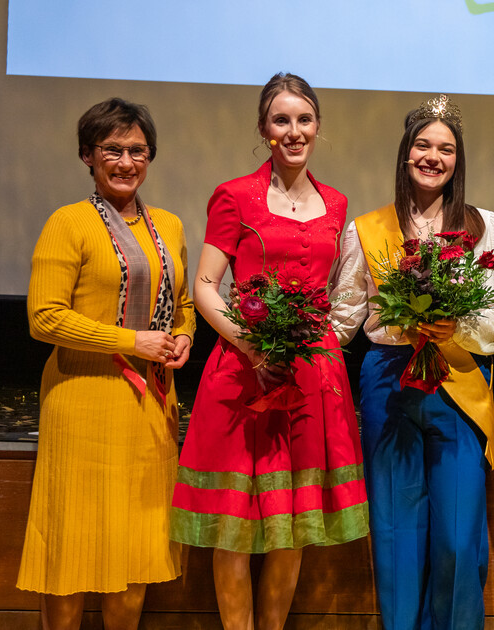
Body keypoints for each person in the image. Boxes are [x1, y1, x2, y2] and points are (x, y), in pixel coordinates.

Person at [170, 73, 369, 630]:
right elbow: (206, 286)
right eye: (281, 120)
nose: (294, 131)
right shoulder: (235, 195)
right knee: (234, 522)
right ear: (264, 128)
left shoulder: (336, 202)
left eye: (304, 119)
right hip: (244, 370)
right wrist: (251, 343)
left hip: (312, 371)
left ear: (318, 127)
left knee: (295, 520)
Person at [331, 94, 494, 630]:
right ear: (405, 153)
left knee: (458, 538)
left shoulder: (485, 226)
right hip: (389, 381)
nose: (433, 156)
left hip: (458, 379)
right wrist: (284, 342)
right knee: (394, 536)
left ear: (458, 160)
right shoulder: (366, 229)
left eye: (446, 149)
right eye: (422, 145)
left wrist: (453, 327)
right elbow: (345, 318)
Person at [17, 98, 196, 630]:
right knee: (70, 552)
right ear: (88, 156)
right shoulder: (67, 223)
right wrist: (131, 341)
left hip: (150, 408)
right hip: (82, 402)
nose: (126, 162)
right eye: (112, 150)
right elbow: (44, 318)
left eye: (137, 151)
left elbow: (183, 306)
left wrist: (182, 337)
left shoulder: (169, 225)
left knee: (134, 552)